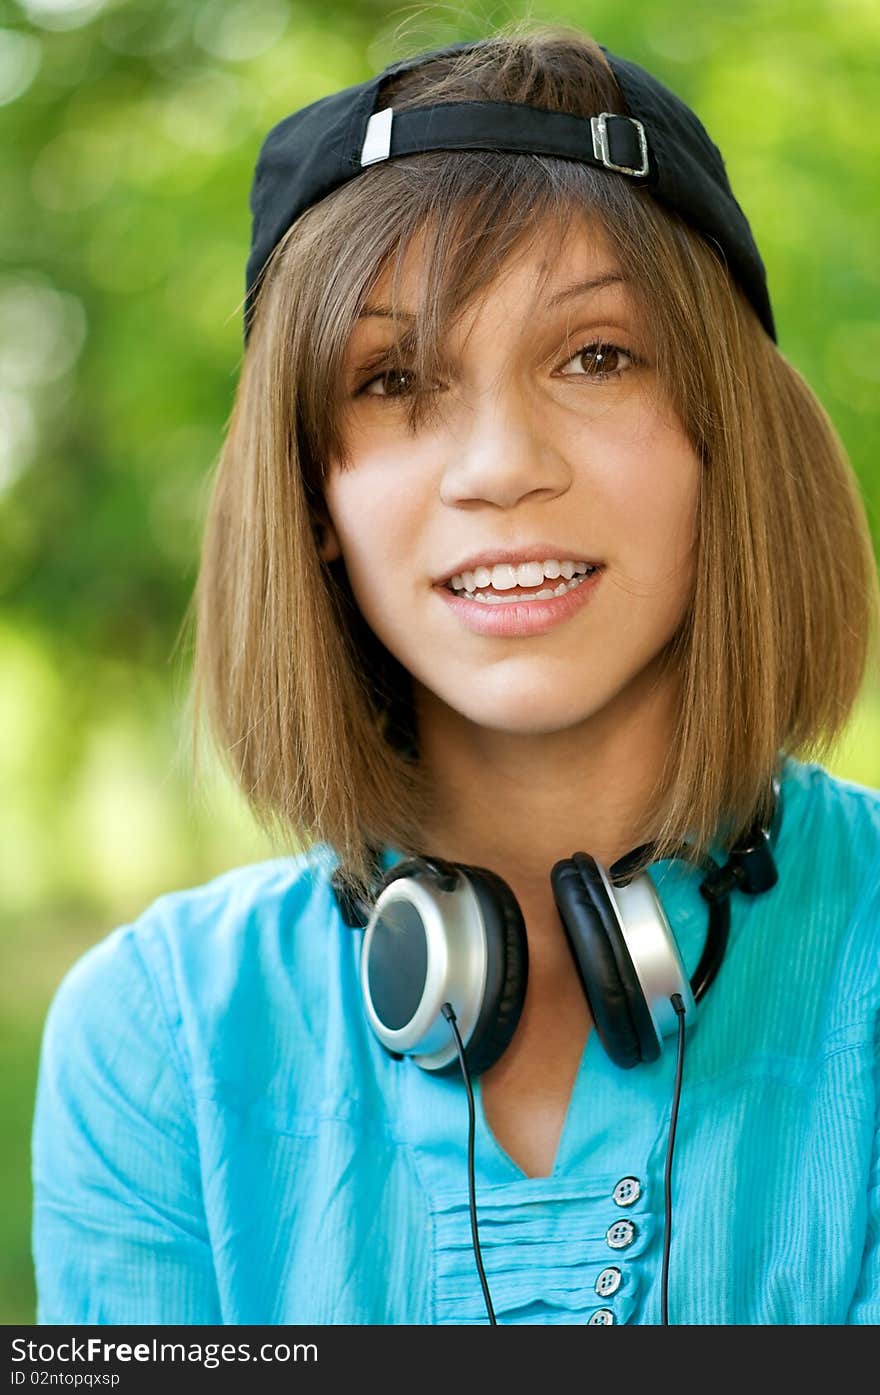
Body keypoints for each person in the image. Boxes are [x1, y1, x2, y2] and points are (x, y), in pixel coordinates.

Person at [31, 22, 880, 1326]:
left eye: (597, 355)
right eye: (393, 379)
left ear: (729, 437)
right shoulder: (160, 1042)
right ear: (311, 493)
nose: (498, 465)